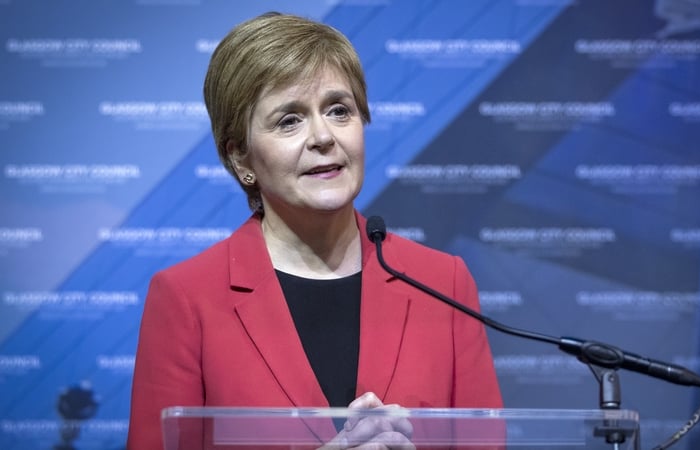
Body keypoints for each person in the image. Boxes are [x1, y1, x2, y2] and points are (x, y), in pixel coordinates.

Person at [127, 11, 503, 450]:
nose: (323, 136)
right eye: (290, 120)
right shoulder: (186, 299)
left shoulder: (443, 283)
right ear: (240, 157)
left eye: (339, 110)